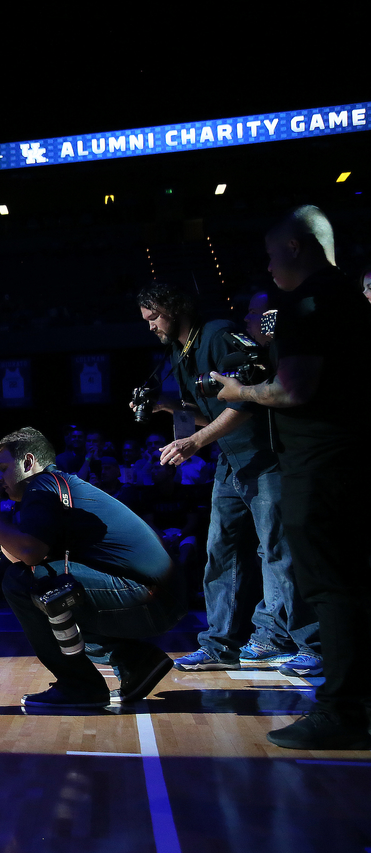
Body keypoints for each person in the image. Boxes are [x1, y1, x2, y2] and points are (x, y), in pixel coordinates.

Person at [213, 205, 371, 750]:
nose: (269, 264)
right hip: (348, 458)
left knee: (331, 586)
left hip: (321, 463)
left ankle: (341, 711)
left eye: (271, 253)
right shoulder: (342, 298)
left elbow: (295, 391)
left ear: (296, 247)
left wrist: (241, 393)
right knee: (352, 582)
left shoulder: (306, 302)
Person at [136, 282, 318, 675]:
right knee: (222, 552)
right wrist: (170, 409)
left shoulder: (218, 334)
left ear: (173, 307)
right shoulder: (178, 349)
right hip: (231, 460)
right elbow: (202, 412)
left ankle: (310, 643)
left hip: (263, 456)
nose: (149, 326)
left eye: (153, 317)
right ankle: (220, 644)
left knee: (277, 551)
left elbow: (247, 400)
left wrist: (196, 441)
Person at [0, 427, 183, 708]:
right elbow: (22, 555)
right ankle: (136, 662)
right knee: (46, 587)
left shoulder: (40, 486)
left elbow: (28, 557)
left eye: (4, 468)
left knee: (25, 584)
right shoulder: (55, 485)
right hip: (160, 595)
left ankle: (80, 686)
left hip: (149, 594)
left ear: (28, 463)